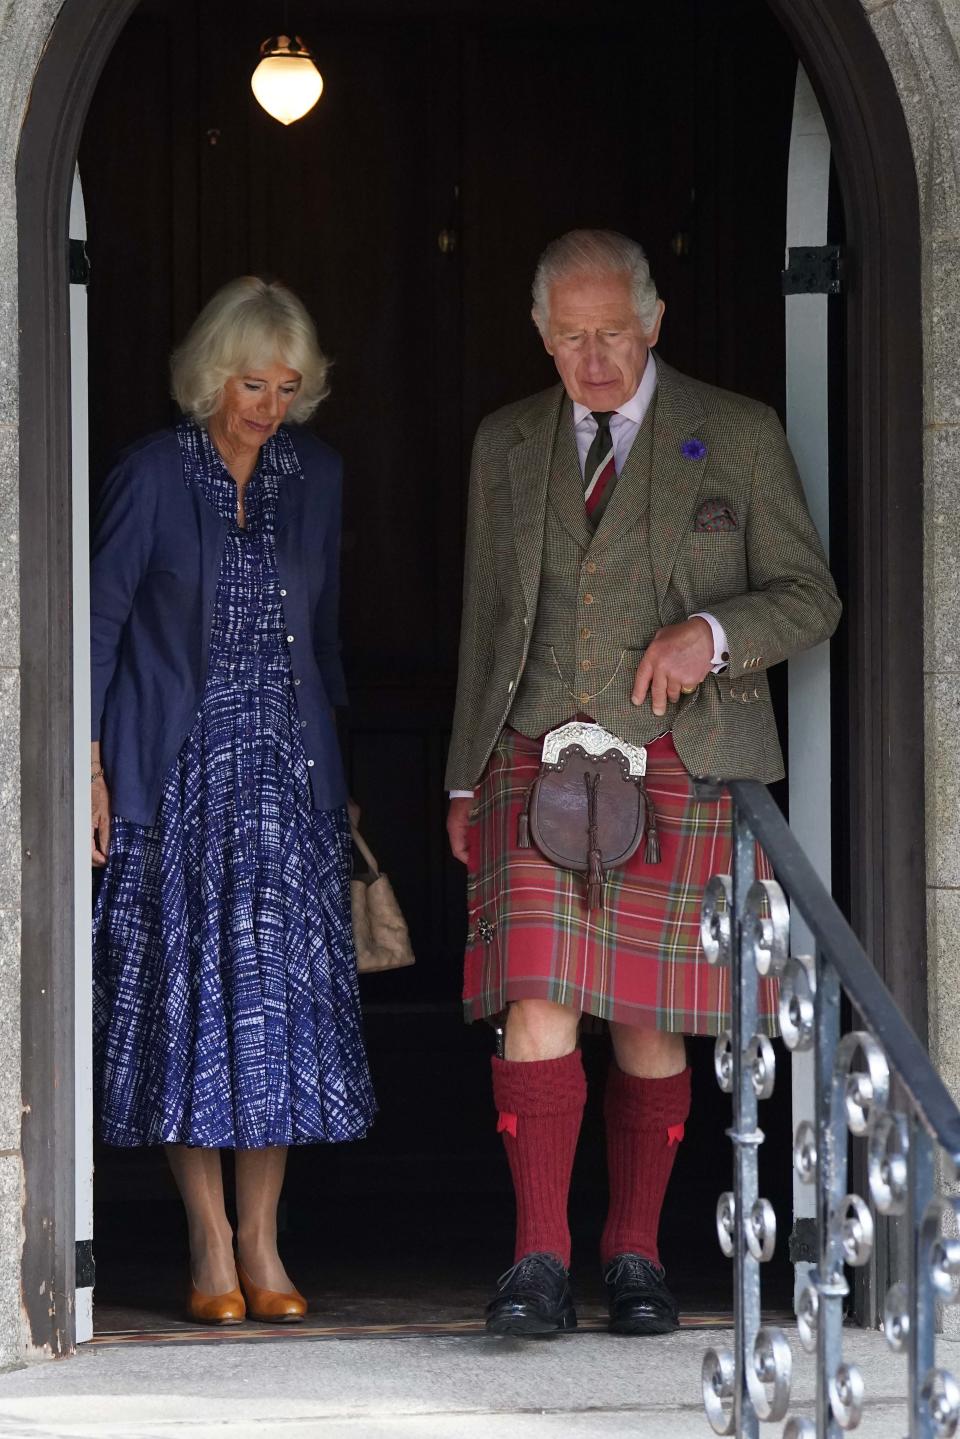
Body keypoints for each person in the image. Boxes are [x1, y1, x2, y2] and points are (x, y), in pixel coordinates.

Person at [446, 230, 840, 1337]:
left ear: (654, 323)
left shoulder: (740, 434)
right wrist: (462, 776)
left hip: (679, 761)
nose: (593, 356)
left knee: (649, 1021)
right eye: (569, 337)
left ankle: (634, 1254)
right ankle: (537, 1257)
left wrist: (711, 633)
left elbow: (811, 598)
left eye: (612, 332)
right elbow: (485, 621)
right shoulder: (507, 443)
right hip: (530, 754)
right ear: (541, 335)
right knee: (537, 999)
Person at [91, 276, 376, 1325]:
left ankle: (264, 1233)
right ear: (213, 374)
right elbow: (99, 621)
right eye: (251, 382)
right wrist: (89, 765)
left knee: (279, 1018)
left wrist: (340, 793)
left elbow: (329, 642)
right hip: (175, 779)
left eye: (287, 385)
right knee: (189, 1013)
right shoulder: (152, 474)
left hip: (287, 785)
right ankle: (208, 1235)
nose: (267, 403)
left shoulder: (318, 474)